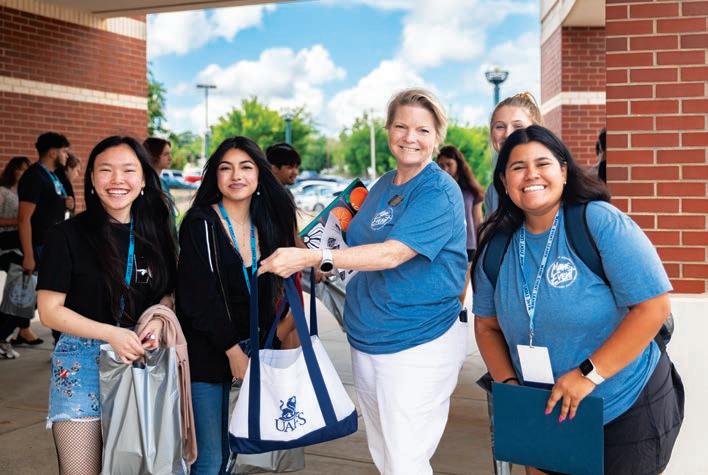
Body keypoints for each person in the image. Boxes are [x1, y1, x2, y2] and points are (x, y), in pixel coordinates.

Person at [259, 88, 468, 474]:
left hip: (417, 343)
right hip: (368, 337)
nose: (410, 137)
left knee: (405, 461)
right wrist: (325, 260)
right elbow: (353, 245)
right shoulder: (383, 185)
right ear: (388, 129)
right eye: (401, 126)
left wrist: (313, 257)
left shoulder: (438, 191)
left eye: (422, 130)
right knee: (385, 455)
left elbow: (392, 254)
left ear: (437, 135)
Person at [472, 125, 683, 475]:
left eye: (543, 163)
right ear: (505, 182)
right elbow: (486, 326)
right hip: (547, 411)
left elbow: (654, 307)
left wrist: (588, 375)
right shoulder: (497, 244)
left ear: (564, 171)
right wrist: (511, 389)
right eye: (518, 167)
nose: (531, 174)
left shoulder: (598, 222)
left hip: (623, 409)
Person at [36, 136, 177, 474]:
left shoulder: (157, 233)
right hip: (81, 362)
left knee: (136, 467)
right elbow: (50, 310)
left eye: (128, 170)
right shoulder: (66, 234)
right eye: (105, 170)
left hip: (141, 359)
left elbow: (169, 292)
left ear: (143, 178)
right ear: (92, 178)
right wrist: (111, 334)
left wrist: (159, 319)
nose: (117, 180)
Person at [176, 136, 299, 474]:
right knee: (210, 457)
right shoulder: (201, 223)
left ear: (259, 174)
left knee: (240, 453)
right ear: (215, 176)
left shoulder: (268, 223)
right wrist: (233, 352)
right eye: (225, 168)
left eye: (246, 167)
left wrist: (273, 339)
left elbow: (275, 291)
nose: (236, 176)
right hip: (210, 352)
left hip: (256, 351)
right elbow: (198, 298)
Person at [16, 132, 71, 346]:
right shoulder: (34, 177)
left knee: (60, 295)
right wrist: (29, 255)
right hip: (40, 246)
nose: (67, 156)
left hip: (54, 245)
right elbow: (24, 218)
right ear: (53, 152)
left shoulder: (52, 175)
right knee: (52, 296)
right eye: (64, 151)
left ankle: (61, 341)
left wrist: (65, 203)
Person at [436, 145, 484, 303]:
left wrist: (482, 246)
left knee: (460, 292)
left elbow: (478, 220)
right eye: (441, 165)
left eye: (449, 164)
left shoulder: (471, 191)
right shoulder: (435, 190)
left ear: (458, 164)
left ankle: (458, 315)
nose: (445, 169)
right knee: (443, 289)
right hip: (443, 246)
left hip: (468, 246)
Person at [484, 92, 543, 217]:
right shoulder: (493, 191)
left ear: (536, 131)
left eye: (518, 126)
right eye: (500, 126)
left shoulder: (546, 180)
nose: (507, 134)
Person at [0, 156, 31, 359]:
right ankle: (4, 336)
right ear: (13, 170)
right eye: (21, 169)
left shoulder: (24, 193)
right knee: (17, 295)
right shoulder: (3, 192)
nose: (24, 173)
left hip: (21, 247)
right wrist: (19, 221)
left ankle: (10, 334)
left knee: (24, 294)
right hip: (7, 247)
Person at [56, 152, 82, 217]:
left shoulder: (64, 182)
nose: (78, 175)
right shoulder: (58, 181)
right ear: (69, 168)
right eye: (77, 171)